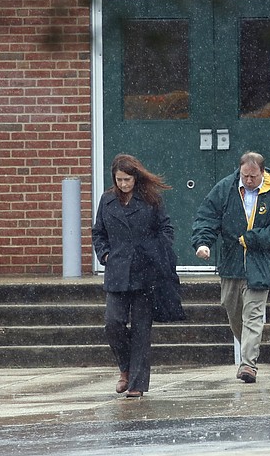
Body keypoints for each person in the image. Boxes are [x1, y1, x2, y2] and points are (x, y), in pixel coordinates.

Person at [192, 152, 270, 383]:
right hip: (231, 262)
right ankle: (250, 348)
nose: (249, 181)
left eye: (253, 176)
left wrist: (255, 238)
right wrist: (203, 242)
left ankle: (248, 364)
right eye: (245, 176)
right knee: (233, 312)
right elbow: (207, 216)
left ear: (263, 172)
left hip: (260, 263)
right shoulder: (225, 188)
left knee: (254, 315)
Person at [92, 153, 178, 399]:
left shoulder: (151, 199)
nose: (123, 184)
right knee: (113, 323)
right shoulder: (107, 200)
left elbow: (166, 229)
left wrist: (157, 252)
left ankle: (137, 383)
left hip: (145, 271)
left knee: (142, 328)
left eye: (127, 179)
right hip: (117, 270)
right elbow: (98, 232)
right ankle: (125, 368)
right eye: (119, 180)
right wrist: (105, 254)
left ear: (135, 178)